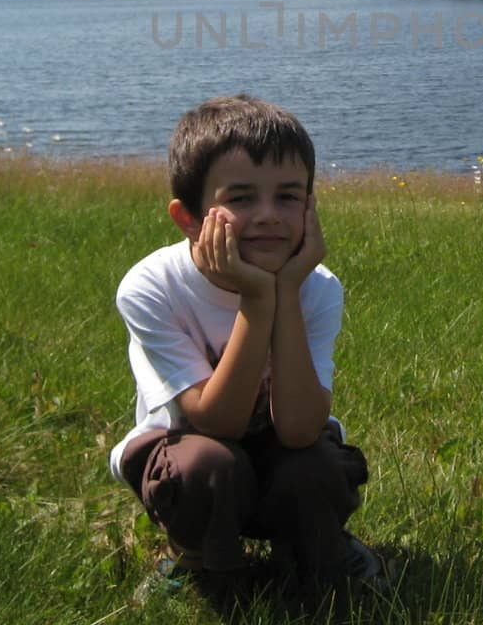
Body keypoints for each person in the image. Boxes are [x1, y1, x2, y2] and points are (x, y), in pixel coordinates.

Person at [109, 93, 383, 596]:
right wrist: (259, 299)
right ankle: (199, 559)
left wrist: (286, 289)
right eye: (240, 199)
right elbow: (216, 424)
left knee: (316, 467)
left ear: (310, 206)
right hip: (189, 455)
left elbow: (301, 429)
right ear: (188, 218)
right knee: (208, 464)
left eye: (288, 197)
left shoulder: (318, 287)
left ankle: (315, 547)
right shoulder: (152, 287)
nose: (268, 216)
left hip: (281, 451)